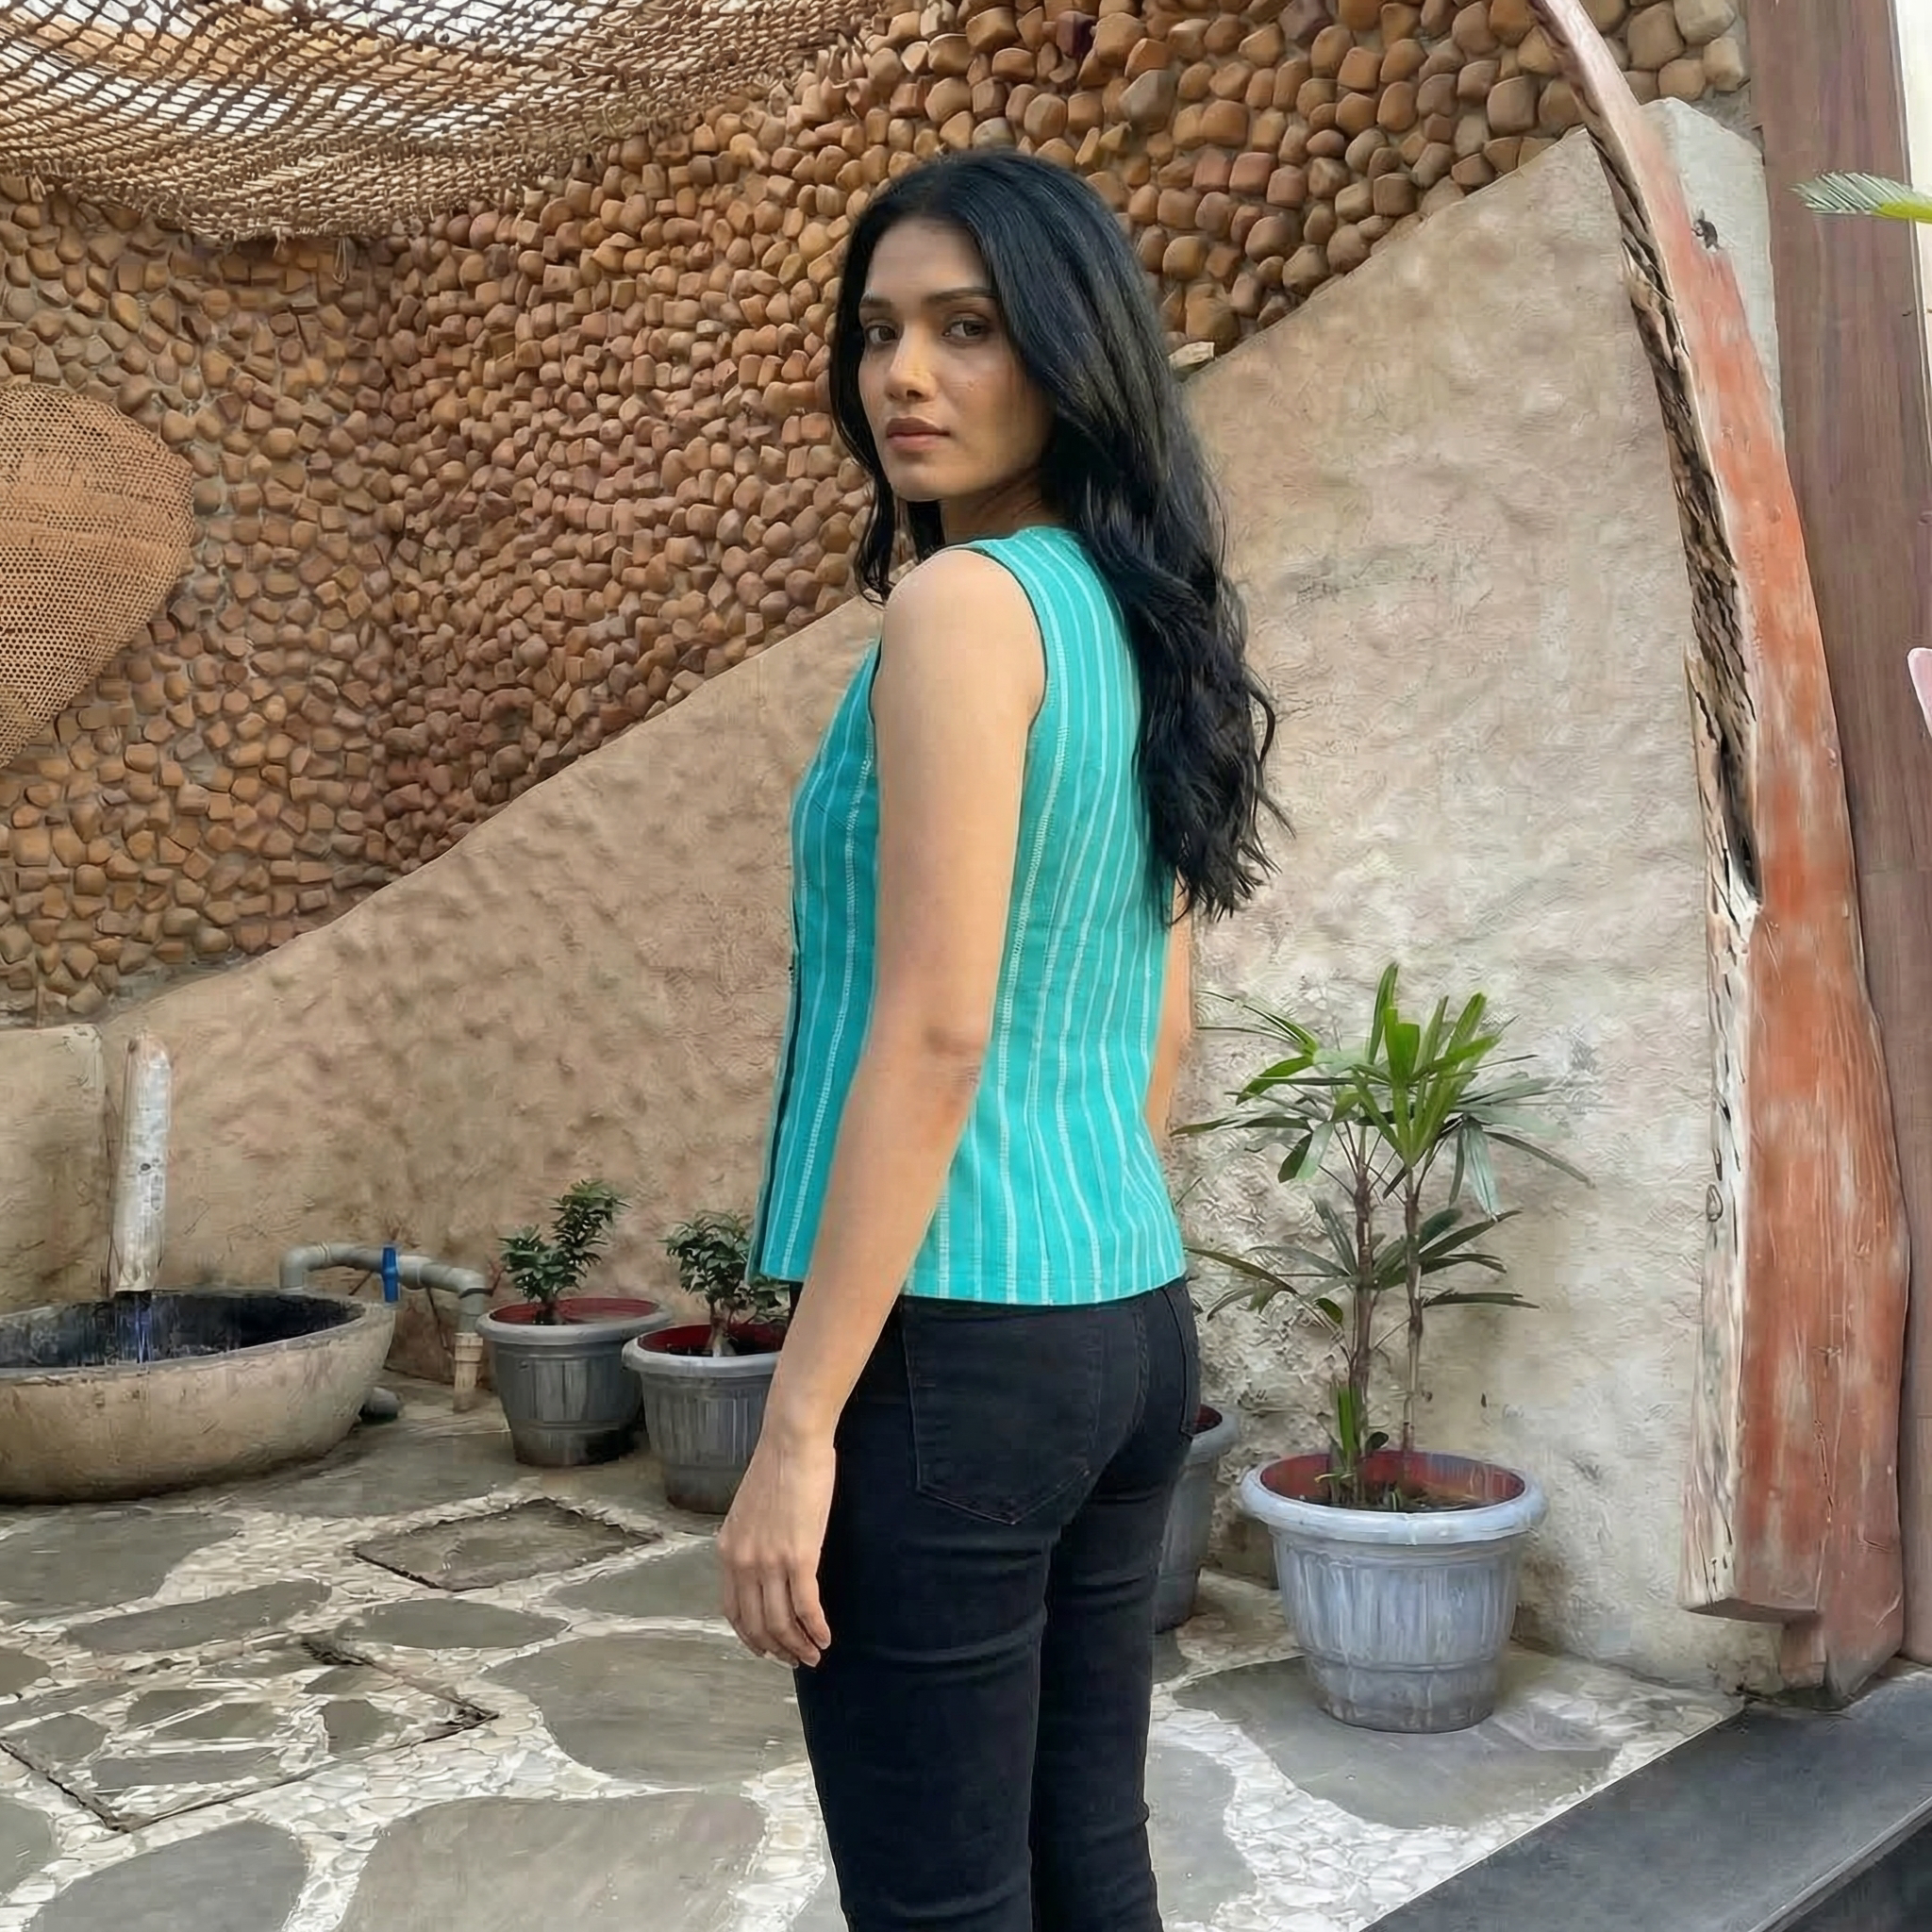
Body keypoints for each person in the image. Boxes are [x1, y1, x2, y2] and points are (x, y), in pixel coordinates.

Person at [717, 148, 1278, 1932]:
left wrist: (798, 1425)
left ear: (1067, 349)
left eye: (967, 329)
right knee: (1087, 1859)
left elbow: (939, 1028)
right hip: (1122, 1317)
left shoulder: (962, 608)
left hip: (947, 1348)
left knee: (943, 1903)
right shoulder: (1147, 621)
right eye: (878, 330)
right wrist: (1086, 1261)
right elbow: (1162, 1018)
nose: (904, 374)